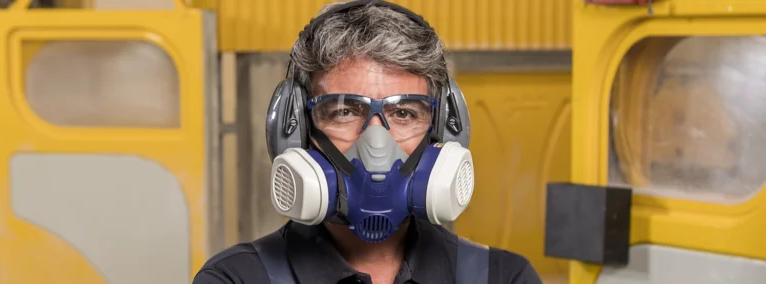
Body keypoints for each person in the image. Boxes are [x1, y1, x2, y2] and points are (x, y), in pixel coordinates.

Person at [192, 1, 542, 283]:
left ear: (441, 132)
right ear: (296, 130)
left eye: (404, 113)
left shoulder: (503, 277)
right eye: (344, 111)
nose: (377, 144)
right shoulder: (235, 278)